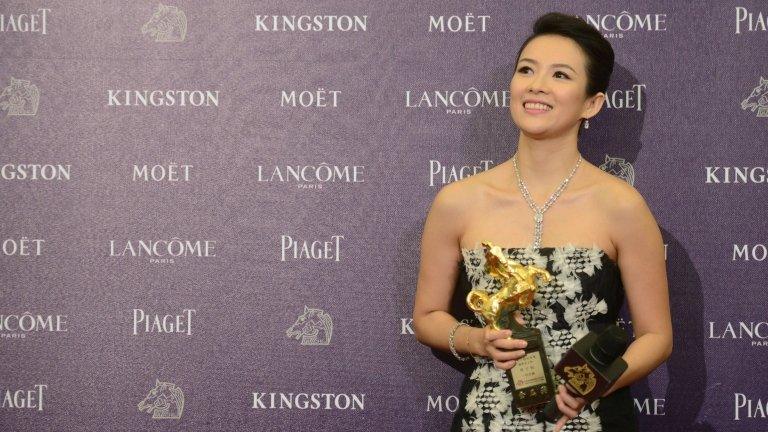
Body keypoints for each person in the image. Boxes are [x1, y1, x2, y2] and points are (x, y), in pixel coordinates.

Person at [412, 12, 673, 432]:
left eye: (561, 75)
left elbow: (657, 337)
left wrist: (595, 385)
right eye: (527, 70)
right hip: (487, 417)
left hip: (591, 417)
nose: (537, 85)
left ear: (592, 103)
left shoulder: (622, 206)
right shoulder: (457, 201)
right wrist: (476, 340)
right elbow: (426, 316)